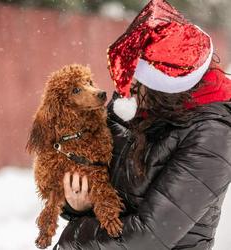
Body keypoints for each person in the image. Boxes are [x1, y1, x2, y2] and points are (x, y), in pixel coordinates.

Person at [54, 0, 231, 249]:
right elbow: (96, 170)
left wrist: (72, 237)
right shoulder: (137, 101)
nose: (126, 92)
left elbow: (146, 237)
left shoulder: (212, 136)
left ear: (166, 91)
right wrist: (77, 205)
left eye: (138, 84)